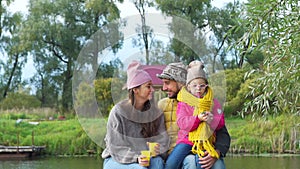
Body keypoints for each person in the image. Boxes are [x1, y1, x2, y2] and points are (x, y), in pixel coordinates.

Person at [157, 61, 231, 169]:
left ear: (181, 82)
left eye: (167, 83)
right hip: (174, 156)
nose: (164, 88)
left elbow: (222, 134)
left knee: (217, 164)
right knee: (190, 162)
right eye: (195, 85)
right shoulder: (162, 105)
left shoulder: (207, 103)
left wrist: (216, 153)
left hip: (203, 148)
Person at [102, 60, 170, 169]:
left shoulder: (156, 113)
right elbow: (115, 147)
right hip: (116, 159)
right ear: (135, 90)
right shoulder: (118, 112)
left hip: (145, 158)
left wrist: (159, 149)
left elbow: (163, 141)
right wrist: (136, 158)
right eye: (148, 86)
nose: (152, 90)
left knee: (158, 163)